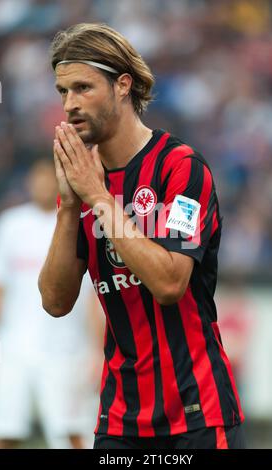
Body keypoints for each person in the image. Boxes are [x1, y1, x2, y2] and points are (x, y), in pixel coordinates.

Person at [39, 23, 245, 450]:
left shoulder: (181, 168)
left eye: (82, 88)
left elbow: (170, 284)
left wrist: (97, 195)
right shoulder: (82, 183)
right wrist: (70, 205)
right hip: (119, 422)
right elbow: (55, 302)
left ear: (122, 86)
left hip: (198, 415)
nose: (70, 105)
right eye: (63, 92)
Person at [0, 159, 104, 449]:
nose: (43, 184)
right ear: (30, 182)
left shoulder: (79, 221)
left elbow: (94, 294)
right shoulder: (11, 224)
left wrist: (97, 350)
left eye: (49, 178)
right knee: (5, 431)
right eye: (38, 178)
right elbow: (0, 289)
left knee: (70, 435)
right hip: (14, 349)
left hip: (66, 351)